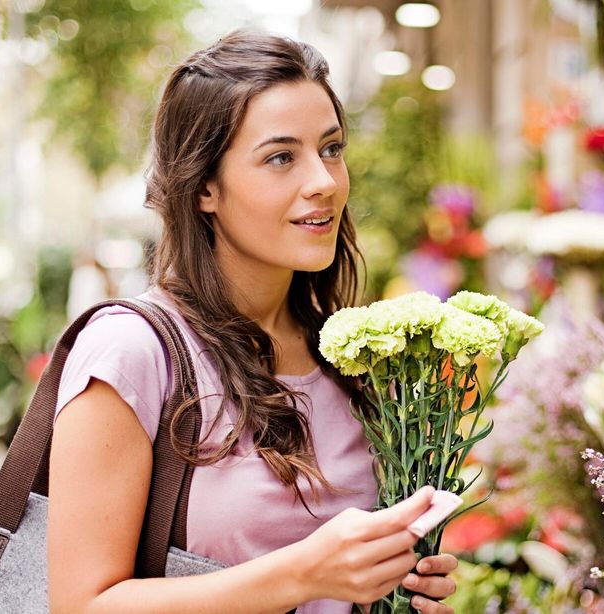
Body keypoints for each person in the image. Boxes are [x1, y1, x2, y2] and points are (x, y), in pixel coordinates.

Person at [48, 30, 458, 613]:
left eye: (332, 148)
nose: (322, 181)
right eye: (281, 157)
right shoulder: (133, 351)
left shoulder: (350, 355)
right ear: (204, 188)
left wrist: (402, 582)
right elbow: (81, 606)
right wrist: (304, 574)